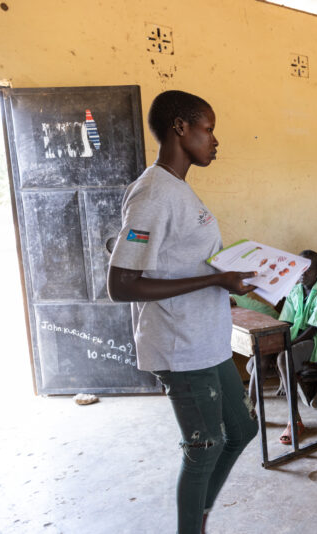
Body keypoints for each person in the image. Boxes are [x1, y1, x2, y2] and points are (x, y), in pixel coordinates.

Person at [107, 90, 257, 534]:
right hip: (179, 346)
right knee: (204, 445)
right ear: (180, 127)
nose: (214, 140)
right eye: (207, 129)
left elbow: (180, 259)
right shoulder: (153, 193)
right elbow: (122, 285)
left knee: (241, 430)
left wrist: (229, 276)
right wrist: (214, 280)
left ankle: (199, 514)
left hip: (207, 340)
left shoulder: (179, 189)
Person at [276, 250, 317, 444]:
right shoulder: (296, 290)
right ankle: (252, 409)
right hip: (298, 338)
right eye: (300, 268)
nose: (303, 273)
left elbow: (313, 329)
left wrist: (289, 344)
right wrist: (280, 340)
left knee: (283, 359)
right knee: (261, 356)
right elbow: (286, 322)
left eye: (309, 269)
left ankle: (294, 420)